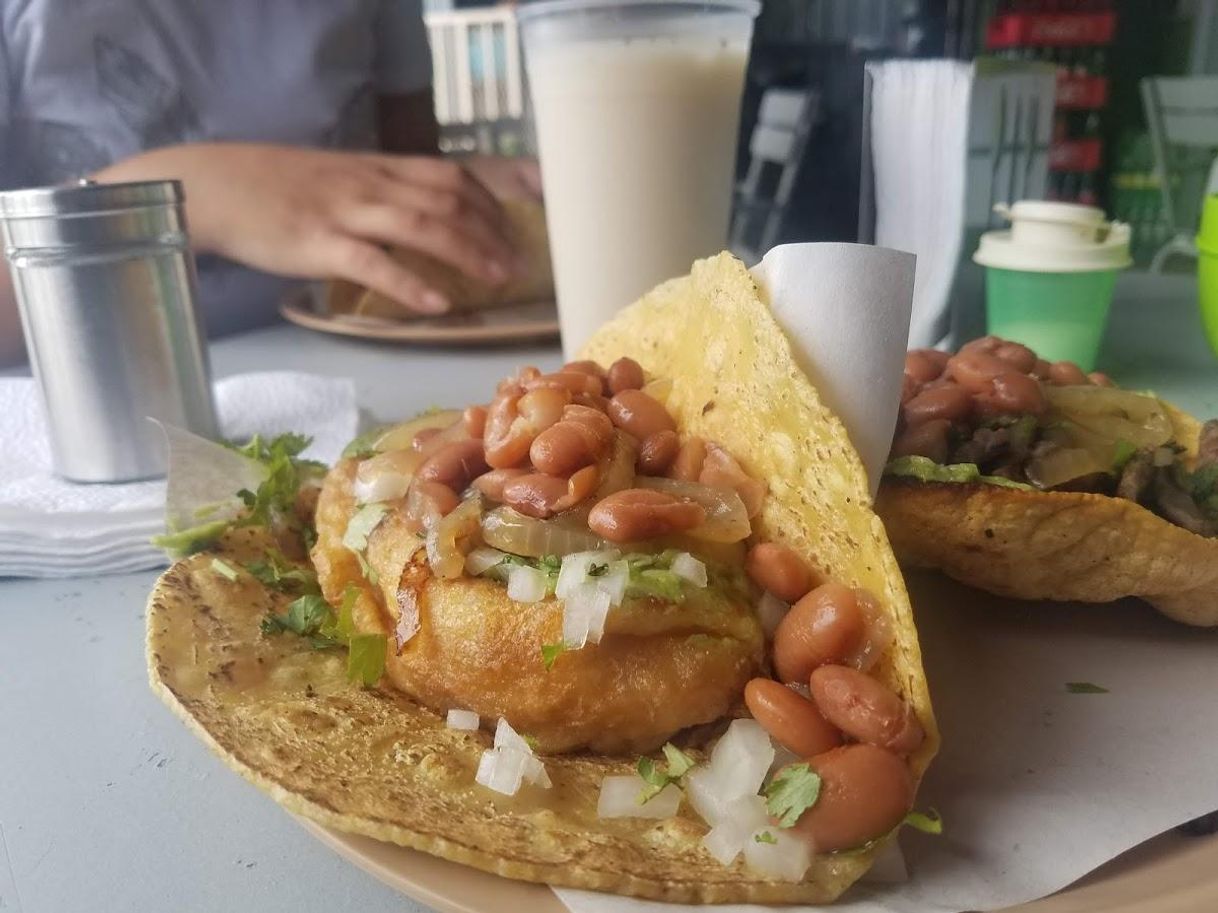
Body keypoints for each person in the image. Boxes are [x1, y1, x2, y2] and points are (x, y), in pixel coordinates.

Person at [0, 0, 539, 366]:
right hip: (84, 425)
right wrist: (191, 198)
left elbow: (405, 157)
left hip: (387, 367)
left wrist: (458, 188)